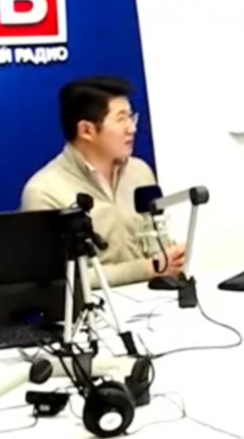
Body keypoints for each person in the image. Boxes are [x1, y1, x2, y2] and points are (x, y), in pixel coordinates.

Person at [21, 76, 185, 287]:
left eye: (131, 117)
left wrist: (172, 257)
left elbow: (157, 245)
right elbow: (58, 280)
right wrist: (146, 269)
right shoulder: (45, 192)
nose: (132, 129)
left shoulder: (139, 172)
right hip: (93, 305)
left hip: (153, 298)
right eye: (121, 119)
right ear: (86, 130)